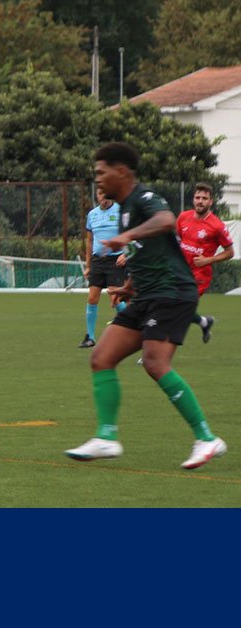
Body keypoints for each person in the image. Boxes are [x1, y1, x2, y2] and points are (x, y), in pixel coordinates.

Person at [64, 142, 226, 470]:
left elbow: (166, 221)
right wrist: (127, 287)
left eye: (101, 172)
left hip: (173, 293)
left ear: (121, 171)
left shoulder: (145, 198)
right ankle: (106, 437)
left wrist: (127, 237)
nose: (97, 179)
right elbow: (146, 253)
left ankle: (206, 438)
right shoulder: (124, 210)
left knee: (154, 363)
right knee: (101, 357)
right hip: (147, 295)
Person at [175, 182, 231, 343]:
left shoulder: (217, 226)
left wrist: (209, 259)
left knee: (179, 309)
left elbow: (230, 252)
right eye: (197, 197)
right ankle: (205, 322)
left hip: (199, 276)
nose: (200, 201)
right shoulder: (183, 217)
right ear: (193, 199)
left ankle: (156, 352)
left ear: (210, 201)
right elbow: (177, 241)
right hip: (180, 271)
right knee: (171, 306)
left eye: (204, 198)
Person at [79, 189, 128, 348]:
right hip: (97, 261)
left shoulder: (121, 211)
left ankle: (132, 327)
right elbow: (90, 242)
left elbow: (130, 235)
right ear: (97, 195)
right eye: (100, 194)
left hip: (116, 260)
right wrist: (88, 265)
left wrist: (126, 254)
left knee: (115, 299)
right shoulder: (92, 214)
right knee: (92, 298)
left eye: (107, 194)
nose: (103, 197)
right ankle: (90, 337)